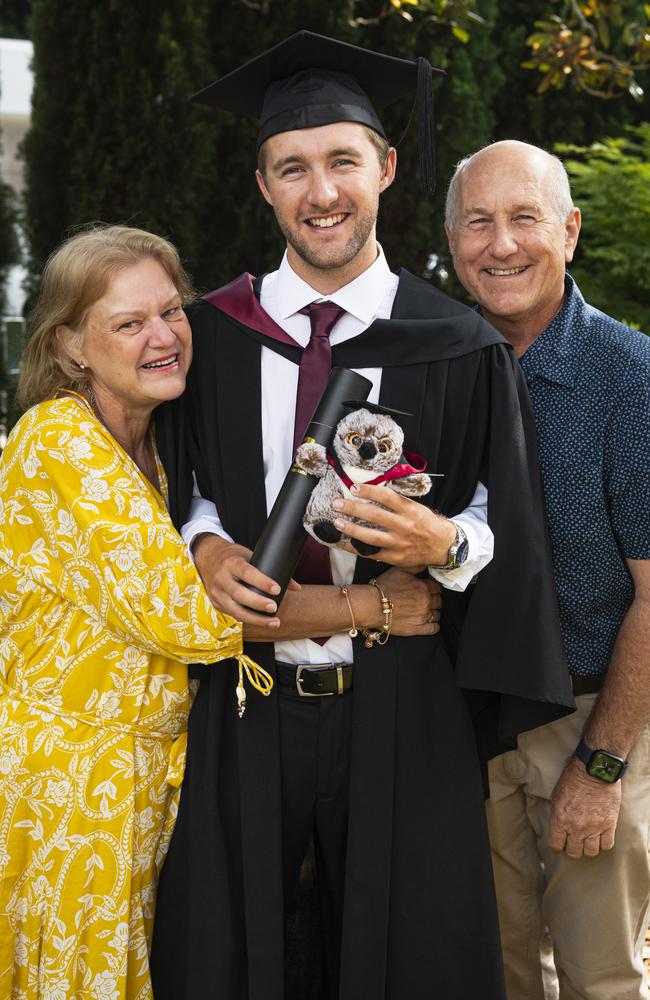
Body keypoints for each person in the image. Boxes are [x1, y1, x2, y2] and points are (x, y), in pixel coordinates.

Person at [151, 33, 574, 1000]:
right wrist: (204, 539)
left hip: (402, 700)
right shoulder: (211, 335)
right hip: (245, 699)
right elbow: (179, 485)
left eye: (343, 160)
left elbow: (498, 519)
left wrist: (446, 544)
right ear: (263, 186)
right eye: (292, 168)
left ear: (384, 169)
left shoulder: (457, 343)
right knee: (234, 950)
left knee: (410, 957)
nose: (321, 191)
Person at [0, 225, 270, 999]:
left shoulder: (162, 446)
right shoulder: (58, 442)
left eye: (171, 312)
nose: (164, 337)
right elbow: (188, 616)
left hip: (154, 780)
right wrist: (375, 604)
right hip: (75, 789)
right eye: (129, 323)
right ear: (72, 346)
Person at [445, 139, 650, 1000]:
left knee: (601, 976)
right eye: (477, 223)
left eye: (524, 218)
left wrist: (601, 767)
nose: (501, 245)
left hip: (589, 711)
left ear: (568, 231)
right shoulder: (435, 366)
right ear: (450, 240)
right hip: (461, 719)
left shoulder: (631, 375)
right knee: (490, 973)